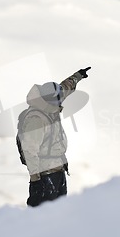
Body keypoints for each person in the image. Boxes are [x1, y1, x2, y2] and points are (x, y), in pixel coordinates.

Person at [17, 67, 91, 207]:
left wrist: (78, 76)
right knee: (43, 217)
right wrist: (35, 180)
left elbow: (65, 87)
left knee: (59, 214)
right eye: (57, 101)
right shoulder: (36, 120)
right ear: (48, 100)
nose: (59, 104)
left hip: (58, 170)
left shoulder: (50, 101)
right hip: (44, 175)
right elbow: (29, 151)